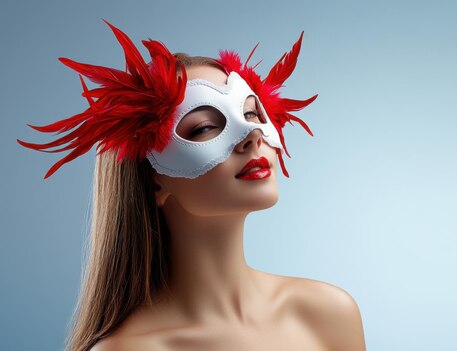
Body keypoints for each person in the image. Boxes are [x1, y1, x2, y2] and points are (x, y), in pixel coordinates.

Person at [17, 20, 366, 351]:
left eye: (251, 113)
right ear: (155, 180)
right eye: (203, 128)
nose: (252, 134)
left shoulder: (328, 313)